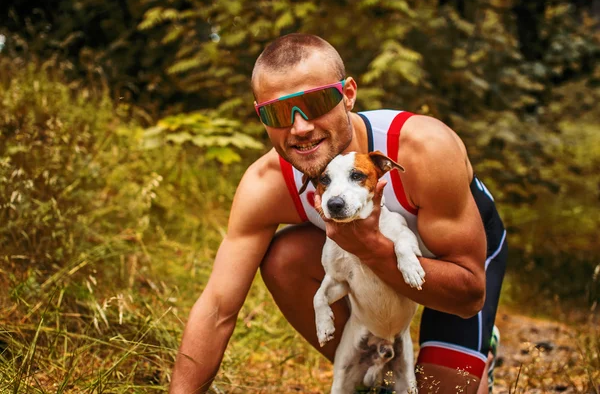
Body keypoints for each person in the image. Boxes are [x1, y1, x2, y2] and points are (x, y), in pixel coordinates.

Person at [169, 33, 507, 394]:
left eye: (314, 103)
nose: (300, 127)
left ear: (347, 94)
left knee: (441, 388)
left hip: (455, 269)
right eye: (279, 113)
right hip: (369, 283)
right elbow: (218, 309)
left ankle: (478, 351)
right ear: (261, 117)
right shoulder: (266, 183)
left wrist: (371, 247)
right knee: (285, 258)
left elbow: (470, 295)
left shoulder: (423, 148)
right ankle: (375, 377)